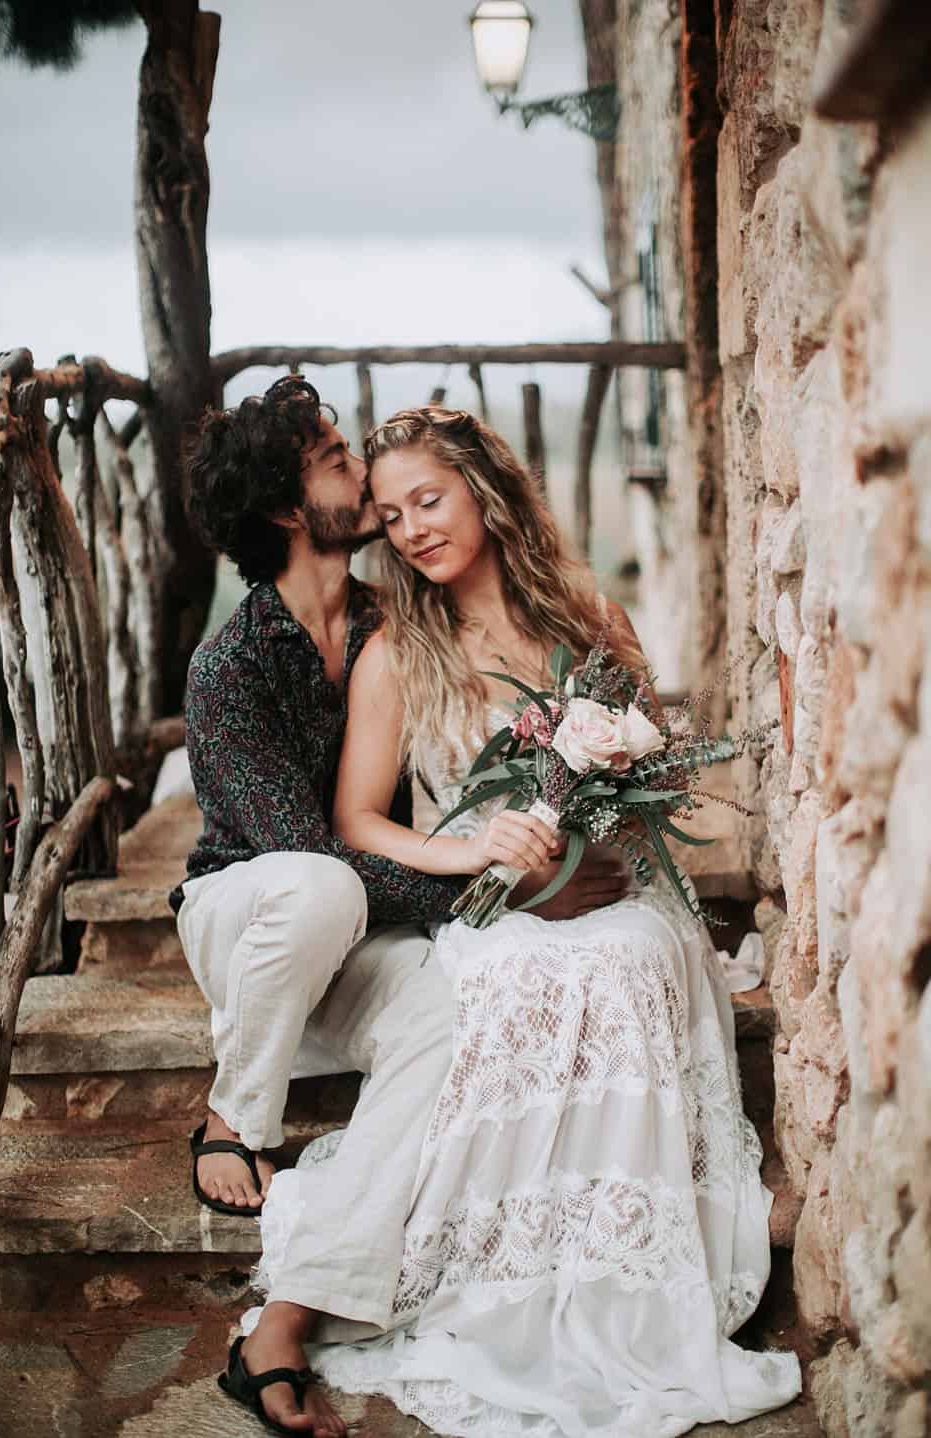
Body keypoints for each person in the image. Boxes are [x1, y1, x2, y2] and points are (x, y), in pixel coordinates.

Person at [248, 406, 802, 1437]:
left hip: (607, 883)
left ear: (485, 493)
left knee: (630, 950)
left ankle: (613, 1259)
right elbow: (358, 818)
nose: (413, 529)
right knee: (507, 979)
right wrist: (476, 850)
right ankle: (488, 1260)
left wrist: (602, 845)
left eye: (431, 500)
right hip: (489, 899)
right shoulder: (398, 650)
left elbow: (648, 764)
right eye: (393, 513)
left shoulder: (583, 610)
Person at [174, 379, 632, 1437]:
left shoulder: (393, 621)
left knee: (448, 1018)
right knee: (319, 880)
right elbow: (313, 847)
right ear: (292, 508)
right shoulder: (229, 667)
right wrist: (491, 883)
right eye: (338, 459)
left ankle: (282, 1325)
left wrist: (543, 862)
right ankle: (237, 1110)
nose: (369, 486)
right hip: (251, 924)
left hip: (365, 938)